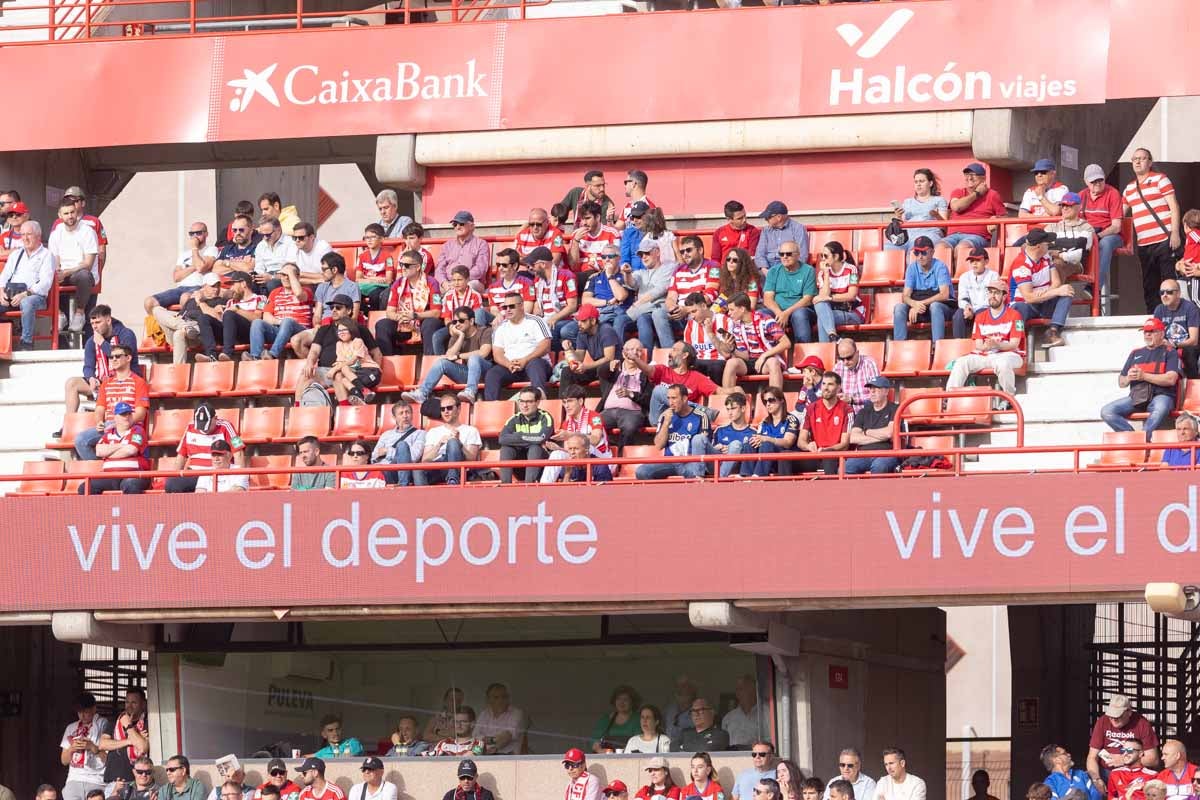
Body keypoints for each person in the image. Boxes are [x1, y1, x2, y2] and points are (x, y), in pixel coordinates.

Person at [60, 306, 140, 435]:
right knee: (71, 383)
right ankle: (68, 424)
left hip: (125, 381)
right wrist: (91, 378)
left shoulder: (126, 334)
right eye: (92, 323)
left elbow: (122, 359)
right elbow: (88, 366)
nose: (94, 327)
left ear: (108, 320)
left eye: (98, 322)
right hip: (103, 382)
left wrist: (102, 343)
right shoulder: (92, 341)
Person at [293, 296, 384, 405]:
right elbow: (314, 351)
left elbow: (376, 353)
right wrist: (309, 364)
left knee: (338, 375)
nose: (334, 310)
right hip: (326, 371)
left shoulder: (360, 329)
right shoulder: (323, 329)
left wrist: (373, 375)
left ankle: (344, 410)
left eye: (338, 307)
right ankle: (296, 410)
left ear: (349, 310)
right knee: (305, 375)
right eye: (332, 307)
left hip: (351, 371)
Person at [1101, 318, 1181, 442]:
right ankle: (1136, 439)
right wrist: (1128, 377)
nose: (1147, 334)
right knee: (1107, 411)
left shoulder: (1170, 352)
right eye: (1145, 332)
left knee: (1160, 408)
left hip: (1161, 395)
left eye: (1151, 331)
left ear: (1161, 333)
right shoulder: (1135, 353)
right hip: (1137, 397)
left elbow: (1171, 379)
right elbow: (1121, 382)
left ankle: (1142, 440)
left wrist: (1144, 376)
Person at [947, 280, 1026, 401]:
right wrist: (987, 346)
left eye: (996, 293)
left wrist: (997, 344)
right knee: (961, 362)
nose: (992, 296)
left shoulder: (1015, 315)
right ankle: (950, 399)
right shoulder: (980, 316)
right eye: (990, 292)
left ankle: (1009, 399)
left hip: (1009, 354)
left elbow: (1014, 344)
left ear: (1004, 296)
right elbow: (979, 345)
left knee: (1003, 364)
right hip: (986, 354)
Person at [1124, 148, 1181, 313]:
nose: (1138, 161)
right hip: (1144, 244)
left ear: (1150, 162)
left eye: (1142, 158)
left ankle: (1174, 317)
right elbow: (1119, 214)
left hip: (1164, 239)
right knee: (1150, 286)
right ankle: (1155, 321)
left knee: (1169, 283)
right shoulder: (1129, 188)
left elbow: (1174, 207)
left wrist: (1175, 233)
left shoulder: (1160, 179)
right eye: (1135, 159)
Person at [75, 344, 150, 461]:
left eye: (118, 356)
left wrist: (121, 422)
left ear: (128, 358)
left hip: (130, 426)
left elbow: (141, 414)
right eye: (111, 357)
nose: (113, 359)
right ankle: (102, 468)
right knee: (81, 440)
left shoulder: (139, 382)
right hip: (108, 426)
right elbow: (100, 408)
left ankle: (106, 464)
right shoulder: (106, 383)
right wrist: (99, 421)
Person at [405, 306, 493, 405]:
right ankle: (422, 393)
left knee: (474, 358)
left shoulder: (485, 331)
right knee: (442, 363)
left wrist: (459, 356)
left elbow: (483, 353)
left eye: (461, 321)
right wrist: (460, 336)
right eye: (455, 322)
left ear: (472, 321)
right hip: (468, 373)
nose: (457, 324)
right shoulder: (458, 334)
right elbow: (449, 355)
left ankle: (470, 392)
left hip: (487, 373)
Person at [1010, 229, 1074, 349]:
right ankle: (1015, 340)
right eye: (1047, 243)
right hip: (1026, 306)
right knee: (1019, 307)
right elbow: (1029, 298)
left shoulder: (1045, 257)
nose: (1049, 245)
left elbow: (1057, 282)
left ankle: (1052, 332)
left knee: (1067, 290)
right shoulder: (1021, 265)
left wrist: (1048, 291)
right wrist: (1054, 291)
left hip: (1044, 301)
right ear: (1038, 246)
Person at [164, 401, 247, 493]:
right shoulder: (190, 427)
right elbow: (181, 457)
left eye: (207, 425)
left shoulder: (227, 426)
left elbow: (239, 453)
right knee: (171, 484)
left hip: (216, 474)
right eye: (201, 425)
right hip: (194, 474)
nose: (204, 429)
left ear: (215, 418)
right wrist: (174, 475)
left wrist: (240, 481)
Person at [483, 291, 552, 400]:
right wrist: (508, 364)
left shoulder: (536, 321)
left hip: (534, 364)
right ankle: (491, 407)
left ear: (521, 306)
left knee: (535, 364)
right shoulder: (501, 328)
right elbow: (497, 354)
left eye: (511, 306)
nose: (508, 310)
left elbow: (545, 345)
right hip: (511, 367)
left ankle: (540, 399)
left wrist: (525, 359)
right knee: (493, 373)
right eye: (505, 307)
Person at [0, 220, 56, 349]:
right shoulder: (16, 254)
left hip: (36, 297)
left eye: (29, 234)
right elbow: (4, 276)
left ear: (38, 236)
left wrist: (26, 294)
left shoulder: (47, 255)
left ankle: (26, 343)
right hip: (11, 295)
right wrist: (1, 291)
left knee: (27, 302)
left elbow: (45, 283)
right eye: (23, 234)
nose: (25, 238)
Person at [637, 383, 710, 480]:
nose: (670, 402)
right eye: (668, 398)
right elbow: (659, 445)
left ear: (684, 399)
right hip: (670, 461)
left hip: (691, 461)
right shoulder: (665, 416)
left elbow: (703, 445)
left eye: (674, 398)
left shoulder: (701, 416)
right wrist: (666, 423)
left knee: (693, 472)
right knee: (642, 471)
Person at [655, 235, 718, 348]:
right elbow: (670, 297)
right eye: (682, 251)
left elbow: (709, 297)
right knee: (657, 314)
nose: (685, 254)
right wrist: (673, 309)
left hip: (699, 314)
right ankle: (670, 353)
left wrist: (687, 310)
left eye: (688, 250)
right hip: (680, 314)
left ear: (700, 250)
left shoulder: (713, 267)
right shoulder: (678, 270)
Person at [47, 197, 99, 332]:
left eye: (72, 212)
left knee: (83, 275)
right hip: (64, 273)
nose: (70, 216)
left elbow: (87, 264)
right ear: (59, 215)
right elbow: (55, 259)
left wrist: (66, 272)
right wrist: (57, 271)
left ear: (77, 212)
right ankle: (59, 314)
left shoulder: (88, 231)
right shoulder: (56, 233)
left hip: (81, 273)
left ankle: (79, 314)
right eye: (66, 213)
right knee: (42, 276)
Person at [542, 388, 613, 484]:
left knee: (587, 446)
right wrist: (558, 448)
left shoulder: (594, 416)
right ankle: (544, 486)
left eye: (570, 401)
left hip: (601, 458)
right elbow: (571, 451)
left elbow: (595, 439)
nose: (566, 406)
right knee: (556, 454)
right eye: (564, 402)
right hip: (580, 459)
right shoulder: (566, 423)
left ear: (580, 401)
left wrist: (571, 434)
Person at [720, 292, 789, 390]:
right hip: (750, 362)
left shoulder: (765, 320)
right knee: (731, 363)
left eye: (731, 309)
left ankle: (775, 399)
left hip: (767, 360)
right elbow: (745, 356)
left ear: (742, 309)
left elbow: (786, 343)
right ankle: (727, 398)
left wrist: (764, 355)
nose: (729, 313)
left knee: (773, 362)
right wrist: (732, 350)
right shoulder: (737, 327)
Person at [79, 401, 150, 494]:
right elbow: (99, 451)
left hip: (133, 474)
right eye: (123, 414)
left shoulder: (138, 430)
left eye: (129, 414)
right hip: (109, 475)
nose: (127, 417)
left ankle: (132, 509)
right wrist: (122, 445)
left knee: (131, 485)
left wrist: (109, 453)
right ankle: (100, 509)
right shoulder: (109, 433)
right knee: (85, 488)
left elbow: (131, 450)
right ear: (115, 417)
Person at [1078, 164, 1124, 309]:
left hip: (1110, 234)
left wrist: (1098, 235)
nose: (1097, 184)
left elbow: (1117, 226)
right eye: (1093, 181)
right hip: (1088, 233)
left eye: (1100, 180)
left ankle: (1093, 287)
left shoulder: (1113, 193)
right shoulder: (1081, 196)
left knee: (1105, 244)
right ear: (1086, 182)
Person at [146, 220, 216, 314]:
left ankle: (185, 326)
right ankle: (159, 328)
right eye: (191, 233)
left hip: (199, 287)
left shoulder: (211, 250)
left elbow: (201, 268)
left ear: (206, 234)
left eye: (198, 233)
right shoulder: (184, 255)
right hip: (181, 288)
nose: (195, 236)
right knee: (149, 302)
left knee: (185, 297)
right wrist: (194, 266)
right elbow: (176, 277)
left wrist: (194, 248)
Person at [894, 236, 954, 342]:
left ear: (932, 252)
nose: (920, 257)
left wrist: (919, 304)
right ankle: (899, 345)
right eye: (917, 253)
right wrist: (914, 304)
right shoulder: (912, 268)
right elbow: (905, 296)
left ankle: (937, 346)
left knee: (935, 306)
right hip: (921, 308)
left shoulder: (940, 267)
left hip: (942, 309)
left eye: (924, 253)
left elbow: (944, 294)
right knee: (899, 308)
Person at [248, 263, 312, 360]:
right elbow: (266, 316)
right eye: (283, 275)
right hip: (279, 329)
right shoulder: (274, 292)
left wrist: (291, 274)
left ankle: (272, 355)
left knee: (288, 321)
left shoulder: (306, 291)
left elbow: (299, 294)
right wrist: (280, 322)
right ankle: (255, 357)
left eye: (289, 275)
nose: (286, 278)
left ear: (297, 277)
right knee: (257, 323)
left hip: (300, 331)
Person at [624, 239, 679, 349]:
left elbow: (659, 290)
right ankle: (640, 359)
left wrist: (638, 303)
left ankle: (669, 355)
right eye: (641, 254)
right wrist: (627, 273)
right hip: (643, 311)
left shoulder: (669, 267)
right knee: (634, 319)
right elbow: (632, 284)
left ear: (657, 252)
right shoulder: (640, 272)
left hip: (659, 308)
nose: (644, 257)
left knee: (652, 316)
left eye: (647, 253)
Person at [417, 394, 482, 486]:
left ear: (459, 409)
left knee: (453, 442)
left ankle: (453, 480)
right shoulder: (433, 432)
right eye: (442, 409)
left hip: (460, 468)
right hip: (438, 467)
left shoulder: (471, 430)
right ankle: (422, 497)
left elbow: (472, 459)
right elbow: (425, 460)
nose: (446, 411)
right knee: (417, 471)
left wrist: (459, 443)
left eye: (449, 408)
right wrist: (439, 444)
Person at [559, 304, 620, 399]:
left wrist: (586, 366)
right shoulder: (582, 332)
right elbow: (579, 358)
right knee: (567, 371)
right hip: (597, 367)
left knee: (602, 369)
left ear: (593, 321)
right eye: (578, 320)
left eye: (583, 321)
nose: (579, 324)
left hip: (613, 368)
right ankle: (565, 405)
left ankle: (606, 405)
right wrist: (570, 349)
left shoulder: (606, 331)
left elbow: (609, 358)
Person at [797, 371, 853, 474]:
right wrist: (808, 446)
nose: (825, 387)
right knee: (785, 457)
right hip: (815, 455)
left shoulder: (847, 410)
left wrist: (826, 450)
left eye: (830, 384)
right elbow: (801, 441)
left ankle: (830, 490)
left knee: (829, 456)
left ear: (839, 388)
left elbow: (845, 444)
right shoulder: (811, 408)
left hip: (835, 456)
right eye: (823, 384)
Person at [763, 240, 817, 345]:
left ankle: (803, 350)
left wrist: (786, 313)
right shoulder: (773, 271)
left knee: (799, 314)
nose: (784, 257)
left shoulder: (808, 270)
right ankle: (763, 350)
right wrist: (780, 313)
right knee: (761, 314)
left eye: (788, 254)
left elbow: (807, 299)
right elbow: (767, 299)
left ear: (798, 255)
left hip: (799, 310)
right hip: (778, 311)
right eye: (781, 254)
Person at [496, 388, 555, 483]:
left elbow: (540, 438)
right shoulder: (514, 419)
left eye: (529, 402)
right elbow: (502, 439)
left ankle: (529, 487)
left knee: (535, 447)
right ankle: (505, 485)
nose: (524, 405)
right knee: (506, 449)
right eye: (521, 401)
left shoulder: (545, 417)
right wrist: (528, 438)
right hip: (520, 466)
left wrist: (519, 436)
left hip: (541, 465)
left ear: (537, 402)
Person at [844, 376, 900, 475]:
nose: (872, 391)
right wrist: (881, 437)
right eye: (870, 388)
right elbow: (853, 438)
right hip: (863, 454)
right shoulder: (863, 412)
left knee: (879, 466)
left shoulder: (895, 409)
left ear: (886, 391)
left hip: (886, 453)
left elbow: (889, 433)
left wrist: (866, 432)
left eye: (876, 388)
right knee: (845, 468)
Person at [603, 338, 653, 445]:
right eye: (630, 349)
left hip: (632, 413)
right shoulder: (615, 369)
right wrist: (608, 366)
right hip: (607, 412)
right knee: (592, 424)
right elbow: (601, 372)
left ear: (642, 354)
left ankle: (621, 459)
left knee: (629, 427)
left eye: (638, 350)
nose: (634, 352)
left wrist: (631, 394)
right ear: (623, 353)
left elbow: (649, 400)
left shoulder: (647, 373)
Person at [945, 163, 1007, 250]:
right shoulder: (958, 192)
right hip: (953, 235)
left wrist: (995, 218)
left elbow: (1004, 217)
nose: (969, 178)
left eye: (973, 175)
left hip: (977, 237)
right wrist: (977, 194)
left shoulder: (992, 194)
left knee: (962, 248)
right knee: (940, 247)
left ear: (983, 178)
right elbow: (956, 207)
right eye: (967, 174)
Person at [60, 692, 109, 800]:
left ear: (94, 709)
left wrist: (92, 747)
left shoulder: (103, 725)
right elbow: (63, 760)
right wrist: (72, 748)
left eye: (86, 712)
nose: (82, 715)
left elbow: (109, 759)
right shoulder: (71, 728)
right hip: (74, 779)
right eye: (79, 712)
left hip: (96, 780)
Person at [528, 245, 578, 350]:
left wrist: (553, 318)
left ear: (543, 264)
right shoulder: (537, 281)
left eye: (533, 264)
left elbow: (572, 306)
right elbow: (537, 304)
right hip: (546, 319)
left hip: (566, 319)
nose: (530, 268)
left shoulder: (567, 276)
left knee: (550, 330)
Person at [812, 242, 865, 342]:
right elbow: (823, 297)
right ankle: (832, 335)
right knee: (820, 305)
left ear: (836, 256)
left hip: (852, 312)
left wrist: (830, 298)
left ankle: (826, 349)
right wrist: (826, 274)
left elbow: (852, 296)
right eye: (821, 255)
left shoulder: (851, 269)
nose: (823, 259)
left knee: (822, 318)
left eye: (826, 256)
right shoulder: (822, 273)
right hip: (833, 311)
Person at [206, 271, 263, 361]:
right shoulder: (230, 302)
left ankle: (227, 353)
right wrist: (218, 313)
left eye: (233, 284)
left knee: (230, 314)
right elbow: (225, 323)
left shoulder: (261, 299)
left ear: (243, 284)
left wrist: (237, 309)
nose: (231, 288)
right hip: (231, 334)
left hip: (249, 333)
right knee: (205, 318)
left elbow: (257, 318)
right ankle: (210, 355)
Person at [885, 168, 948, 251]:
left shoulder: (939, 200)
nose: (918, 184)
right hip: (907, 235)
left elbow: (945, 226)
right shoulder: (907, 202)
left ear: (930, 183)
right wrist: (899, 216)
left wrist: (936, 215)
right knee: (889, 247)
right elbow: (902, 225)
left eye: (922, 181)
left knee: (915, 247)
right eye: (916, 182)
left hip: (928, 234)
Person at [582, 243, 632, 339]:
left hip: (619, 313)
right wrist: (607, 302)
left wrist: (609, 276)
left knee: (616, 322)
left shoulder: (626, 275)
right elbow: (585, 301)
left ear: (618, 258)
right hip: (600, 312)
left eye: (611, 256)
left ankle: (616, 352)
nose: (607, 259)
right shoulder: (594, 277)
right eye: (604, 257)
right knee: (568, 330)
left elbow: (620, 296)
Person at [1046, 192, 1096, 285]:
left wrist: (1058, 251)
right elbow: (1043, 247)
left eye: (1069, 205)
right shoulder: (1052, 227)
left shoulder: (1086, 227)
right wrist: (1068, 246)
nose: (1064, 208)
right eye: (1063, 205)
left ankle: (1056, 296)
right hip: (1052, 261)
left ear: (1079, 207)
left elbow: (1077, 254)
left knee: (1056, 264)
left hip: (1075, 264)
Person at [100, 689, 149, 784]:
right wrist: (130, 741)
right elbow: (102, 744)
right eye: (127, 702)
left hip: (137, 781)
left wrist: (128, 726)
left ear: (143, 704)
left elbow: (143, 747)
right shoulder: (115, 721)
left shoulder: (147, 723)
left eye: (134, 702)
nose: (129, 706)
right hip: (113, 780)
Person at [1155, 278, 1200, 378]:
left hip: (1187, 346)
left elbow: (1194, 340)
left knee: (1189, 351)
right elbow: (1156, 335)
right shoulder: (1159, 309)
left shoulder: (1190, 308)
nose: (1165, 295)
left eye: (1169, 292)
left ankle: (1193, 384)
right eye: (1162, 292)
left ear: (1178, 294)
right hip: (1166, 346)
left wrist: (1173, 344)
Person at [328, 320, 380, 404]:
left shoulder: (357, 341)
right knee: (342, 379)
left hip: (370, 371)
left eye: (344, 330)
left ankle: (363, 391)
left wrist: (335, 369)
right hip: (357, 374)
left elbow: (353, 360)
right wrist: (339, 365)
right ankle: (359, 395)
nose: (341, 333)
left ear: (351, 330)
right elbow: (341, 361)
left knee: (344, 369)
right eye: (339, 331)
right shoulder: (339, 344)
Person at [953, 248, 1001, 339]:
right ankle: (959, 343)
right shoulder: (964, 276)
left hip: (985, 309)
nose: (974, 263)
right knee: (958, 314)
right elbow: (962, 297)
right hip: (969, 310)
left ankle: (980, 343)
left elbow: (991, 299)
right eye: (972, 261)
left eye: (978, 260)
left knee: (981, 313)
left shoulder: (993, 275)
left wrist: (973, 310)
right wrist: (967, 307)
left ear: (986, 261)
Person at [710, 391, 758, 478]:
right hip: (717, 468)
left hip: (738, 473)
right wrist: (718, 448)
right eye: (728, 409)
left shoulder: (753, 433)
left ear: (743, 408)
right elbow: (710, 453)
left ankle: (719, 479)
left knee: (736, 445)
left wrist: (732, 450)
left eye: (733, 409)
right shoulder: (720, 430)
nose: (730, 413)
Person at [435, 211, 491, 287]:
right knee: (432, 288)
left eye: (461, 224)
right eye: (455, 224)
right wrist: (444, 283)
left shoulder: (481, 244)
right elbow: (439, 269)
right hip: (448, 283)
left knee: (471, 286)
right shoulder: (447, 245)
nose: (458, 227)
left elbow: (480, 269)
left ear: (471, 226)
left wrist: (461, 280)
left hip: (470, 281)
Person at [754, 201, 809, 275]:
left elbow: (802, 255)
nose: (766, 220)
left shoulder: (798, 229)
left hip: (789, 268)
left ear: (779, 217)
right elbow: (759, 254)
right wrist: (765, 270)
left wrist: (786, 273)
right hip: (768, 269)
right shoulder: (766, 231)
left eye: (768, 217)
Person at [472, 683, 527, 755]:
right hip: (484, 754)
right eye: (496, 697)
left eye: (504, 697)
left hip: (508, 757)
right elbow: (475, 736)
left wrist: (487, 741)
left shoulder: (516, 713)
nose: (500, 700)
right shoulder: (484, 714)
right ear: (488, 699)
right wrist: (494, 739)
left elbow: (508, 736)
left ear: (508, 698)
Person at [833, 337, 881, 416]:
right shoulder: (838, 367)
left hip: (867, 413)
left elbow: (877, 394)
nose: (845, 362)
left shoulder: (869, 364)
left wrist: (853, 400)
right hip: (844, 414)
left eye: (849, 358)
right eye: (842, 359)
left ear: (857, 353)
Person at [571, 201, 622, 274]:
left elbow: (617, 262)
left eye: (588, 218)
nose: (584, 223)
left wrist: (599, 268)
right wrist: (576, 241)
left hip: (604, 275)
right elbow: (573, 266)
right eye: (582, 219)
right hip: (581, 277)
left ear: (598, 217)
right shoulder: (576, 235)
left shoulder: (612, 234)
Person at [356, 224, 395, 311]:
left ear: (381, 239)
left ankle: (373, 317)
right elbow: (358, 279)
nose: (369, 240)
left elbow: (388, 280)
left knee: (375, 295)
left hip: (380, 287)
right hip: (365, 285)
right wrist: (374, 279)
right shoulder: (361, 257)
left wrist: (366, 278)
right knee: (353, 291)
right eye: (367, 237)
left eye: (373, 237)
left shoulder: (388, 257)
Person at [251, 216, 296, 294]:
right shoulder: (261, 245)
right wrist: (257, 276)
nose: (265, 238)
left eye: (268, 235)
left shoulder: (290, 243)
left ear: (278, 230)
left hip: (282, 276)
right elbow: (259, 267)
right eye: (262, 235)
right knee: (249, 284)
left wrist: (272, 277)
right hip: (265, 275)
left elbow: (290, 270)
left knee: (272, 284)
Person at [590, 685, 641, 753]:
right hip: (606, 758)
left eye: (625, 699)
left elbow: (640, 742)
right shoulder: (605, 720)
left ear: (632, 702)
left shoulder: (639, 719)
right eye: (618, 699)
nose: (621, 702)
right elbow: (594, 741)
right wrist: (601, 751)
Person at [712, 200, 761, 264]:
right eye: (740, 218)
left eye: (745, 216)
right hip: (724, 271)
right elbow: (715, 259)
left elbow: (751, 256)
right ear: (729, 219)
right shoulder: (719, 233)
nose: (744, 220)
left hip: (744, 269)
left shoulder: (752, 231)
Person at [712, 247, 760, 313]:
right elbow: (721, 300)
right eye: (728, 259)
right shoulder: (724, 277)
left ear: (743, 263)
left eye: (735, 260)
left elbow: (751, 306)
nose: (731, 262)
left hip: (745, 314)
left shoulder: (751, 281)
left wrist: (730, 309)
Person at [212, 214, 257, 280]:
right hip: (223, 285)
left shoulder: (256, 249)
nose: (237, 233)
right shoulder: (227, 249)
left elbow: (248, 269)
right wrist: (240, 266)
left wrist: (226, 262)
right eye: (234, 230)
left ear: (251, 230)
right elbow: (215, 270)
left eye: (241, 230)